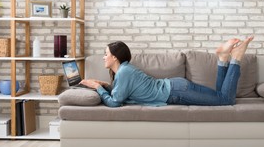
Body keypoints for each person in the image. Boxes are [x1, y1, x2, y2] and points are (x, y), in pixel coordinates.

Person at [80, 37, 254, 107]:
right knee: (220, 96)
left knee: (226, 100)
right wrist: (104, 86)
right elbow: (120, 93)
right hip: (176, 87)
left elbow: (115, 102)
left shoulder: (124, 72)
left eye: (106, 54)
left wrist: (97, 87)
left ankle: (235, 58)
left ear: (115, 58)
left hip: (176, 92)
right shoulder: (124, 71)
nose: (103, 57)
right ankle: (223, 59)